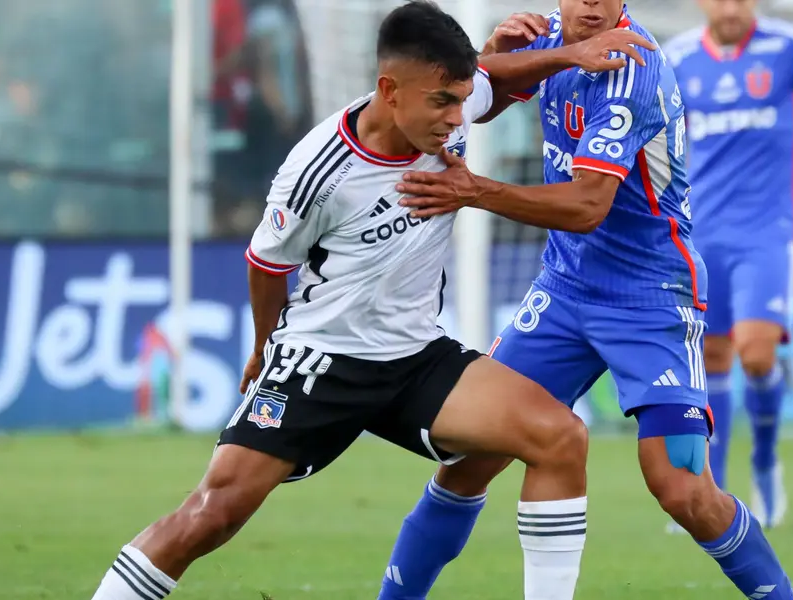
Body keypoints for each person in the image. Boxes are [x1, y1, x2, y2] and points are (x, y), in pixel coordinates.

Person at [87, 2, 654, 598]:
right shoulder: (316, 170)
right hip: (321, 361)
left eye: (462, 101)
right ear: (390, 90)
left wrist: (564, 55)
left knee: (560, 437)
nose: (458, 119)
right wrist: (262, 350)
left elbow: (494, 78)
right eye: (443, 102)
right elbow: (265, 263)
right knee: (212, 513)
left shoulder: (445, 111)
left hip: (414, 358)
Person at [377, 3, 793, 599]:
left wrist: (473, 191)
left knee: (681, 485)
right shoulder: (549, 36)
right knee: (470, 460)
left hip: (649, 293)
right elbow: (477, 100)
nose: (593, 5)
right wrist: (497, 54)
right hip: (564, 290)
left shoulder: (634, 65)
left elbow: (585, 206)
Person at [664, 0, 793, 529]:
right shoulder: (678, 58)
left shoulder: (787, 48)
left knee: (756, 355)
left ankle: (765, 463)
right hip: (699, 233)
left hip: (767, 233)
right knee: (710, 358)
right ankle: (710, 490)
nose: (731, 8)